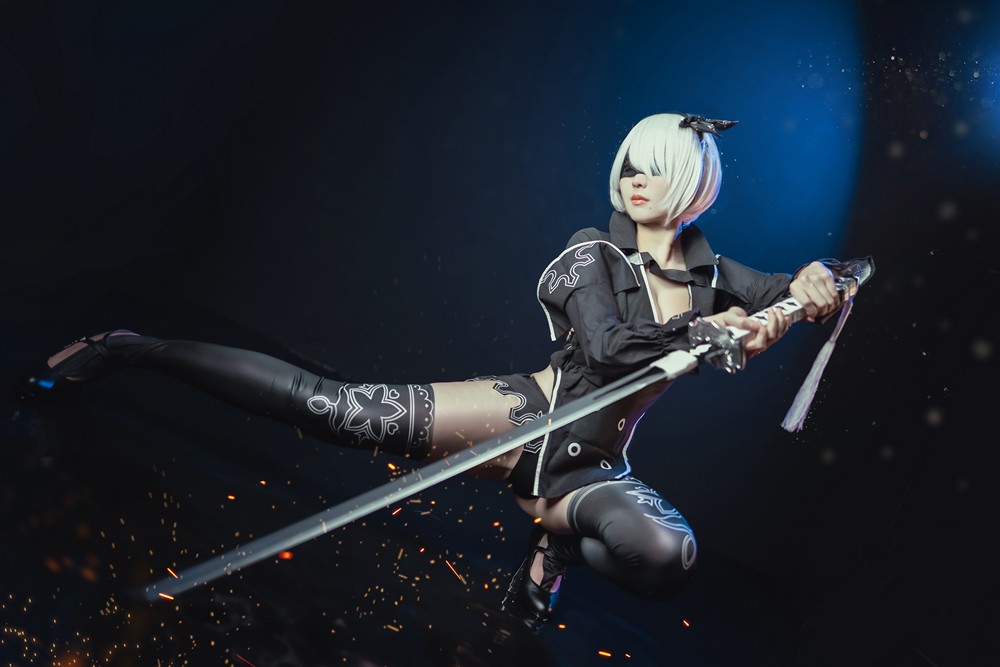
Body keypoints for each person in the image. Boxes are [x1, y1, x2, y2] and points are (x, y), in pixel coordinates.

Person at [18, 112, 843, 631]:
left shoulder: (712, 274)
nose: (634, 178)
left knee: (668, 557)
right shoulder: (590, 253)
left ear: (692, 184)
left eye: (653, 167)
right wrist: (706, 332)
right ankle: (132, 348)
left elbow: (803, 287)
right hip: (522, 419)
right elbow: (604, 348)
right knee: (333, 408)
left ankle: (555, 538)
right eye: (629, 162)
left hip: (595, 466)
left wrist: (820, 284)